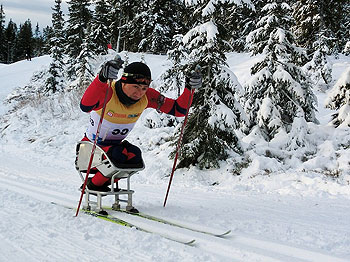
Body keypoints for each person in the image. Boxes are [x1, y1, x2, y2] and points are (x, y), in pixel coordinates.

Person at [80, 57, 202, 192]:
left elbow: (179, 110)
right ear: (123, 82)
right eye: (136, 87)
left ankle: (97, 183)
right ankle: (93, 185)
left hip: (112, 149)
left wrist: (189, 88)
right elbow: (85, 106)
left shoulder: (147, 96)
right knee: (118, 155)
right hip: (89, 151)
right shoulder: (109, 92)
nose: (139, 93)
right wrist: (102, 78)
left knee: (134, 156)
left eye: (144, 88)